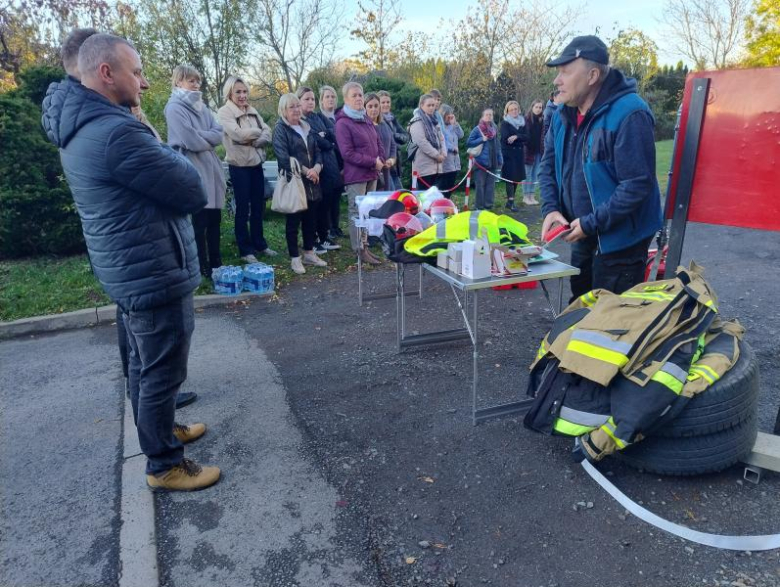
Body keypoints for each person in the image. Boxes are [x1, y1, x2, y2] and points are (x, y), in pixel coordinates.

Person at [42, 33, 219, 492]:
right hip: (151, 268)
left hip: (131, 266)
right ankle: (164, 464)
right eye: (136, 71)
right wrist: (160, 147)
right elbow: (192, 190)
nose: (143, 83)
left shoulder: (85, 123)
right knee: (162, 370)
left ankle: (160, 433)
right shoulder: (117, 131)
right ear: (106, 73)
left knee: (143, 365)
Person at [539, 35, 663, 301]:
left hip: (621, 241)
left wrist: (591, 223)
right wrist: (551, 209)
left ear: (592, 75)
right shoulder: (563, 114)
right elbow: (548, 165)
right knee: (581, 303)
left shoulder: (630, 113)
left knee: (611, 320)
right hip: (584, 232)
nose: (556, 80)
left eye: (565, 72)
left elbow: (637, 184)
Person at [165, 65, 226, 278]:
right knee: (199, 221)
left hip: (210, 166)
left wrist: (203, 137)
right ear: (178, 82)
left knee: (214, 218)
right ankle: (201, 264)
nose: (196, 84)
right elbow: (188, 139)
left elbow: (219, 134)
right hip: (192, 167)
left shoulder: (202, 106)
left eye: (197, 81)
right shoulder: (173, 107)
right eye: (191, 80)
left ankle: (217, 261)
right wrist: (206, 138)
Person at [218, 76, 277, 263]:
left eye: (244, 92)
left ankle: (260, 243)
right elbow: (235, 134)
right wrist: (257, 135)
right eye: (238, 92)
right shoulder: (224, 112)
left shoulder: (252, 110)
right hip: (239, 166)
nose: (242, 96)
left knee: (258, 206)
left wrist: (253, 138)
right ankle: (245, 249)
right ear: (230, 93)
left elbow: (268, 131)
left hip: (256, 164)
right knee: (243, 208)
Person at [273, 93, 327, 275]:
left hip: (313, 180)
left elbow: (318, 150)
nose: (296, 109)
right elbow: (283, 156)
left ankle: (309, 252)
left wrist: (317, 168)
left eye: (297, 105)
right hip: (296, 180)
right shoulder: (281, 129)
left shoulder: (306, 127)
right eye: (292, 107)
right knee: (293, 220)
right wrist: (307, 171)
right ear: (283, 110)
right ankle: (295, 258)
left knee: (311, 219)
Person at [334, 81, 385, 265]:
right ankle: (358, 249)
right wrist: (373, 161)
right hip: (356, 175)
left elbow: (377, 141)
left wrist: (381, 159)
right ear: (346, 99)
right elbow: (347, 153)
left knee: (368, 211)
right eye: (354, 95)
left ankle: (365, 246)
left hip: (372, 173)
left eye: (360, 95)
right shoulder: (343, 123)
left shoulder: (365, 118)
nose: (358, 98)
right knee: (357, 212)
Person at [297, 86, 341, 254]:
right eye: (306, 99)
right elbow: (315, 140)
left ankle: (324, 236)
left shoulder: (317, 116)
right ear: (299, 101)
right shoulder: (300, 120)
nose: (310, 102)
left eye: (312, 99)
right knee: (313, 206)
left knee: (325, 204)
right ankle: (312, 239)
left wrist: (324, 136)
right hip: (312, 167)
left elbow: (332, 133)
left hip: (327, 165)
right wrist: (324, 138)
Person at [317, 85, 345, 241]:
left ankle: (336, 226)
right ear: (321, 100)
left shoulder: (339, 117)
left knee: (337, 197)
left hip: (341, 162)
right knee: (328, 197)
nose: (330, 99)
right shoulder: (319, 118)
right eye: (327, 97)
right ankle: (327, 229)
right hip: (327, 163)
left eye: (333, 96)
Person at [466, 108, 503, 210]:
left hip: (493, 161)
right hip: (480, 163)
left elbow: (498, 145)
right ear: (482, 116)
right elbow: (469, 142)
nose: (489, 117)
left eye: (490, 115)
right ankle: (479, 206)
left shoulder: (494, 129)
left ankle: (488, 206)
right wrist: (481, 139)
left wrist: (500, 159)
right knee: (480, 185)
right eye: (486, 115)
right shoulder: (477, 129)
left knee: (490, 186)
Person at [409, 93, 446, 189]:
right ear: (421, 105)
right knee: (424, 197)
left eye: (433, 105)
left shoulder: (434, 121)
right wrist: (437, 155)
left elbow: (441, 138)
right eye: (428, 105)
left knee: (434, 197)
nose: (431, 108)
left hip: (437, 167)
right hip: (424, 167)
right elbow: (422, 142)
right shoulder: (417, 121)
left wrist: (444, 153)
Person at [500, 100, 528, 212]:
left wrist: (517, 137)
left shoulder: (523, 122)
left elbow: (527, 137)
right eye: (511, 109)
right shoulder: (505, 123)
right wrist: (518, 138)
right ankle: (510, 202)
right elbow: (506, 138)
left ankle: (511, 200)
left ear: (519, 110)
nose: (514, 111)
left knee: (517, 178)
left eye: (515, 109)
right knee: (510, 178)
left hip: (519, 153)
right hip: (508, 153)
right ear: (507, 111)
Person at [366, 92, 397, 191]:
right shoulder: (363, 126)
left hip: (386, 170)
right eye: (370, 106)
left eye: (376, 106)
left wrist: (392, 159)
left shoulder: (384, 124)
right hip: (372, 171)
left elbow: (392, 144)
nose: (374, 109)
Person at [378, 90, 408, 190]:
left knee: (400, 194)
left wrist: (394, 136)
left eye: (388, 102)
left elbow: (405, 136)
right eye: (383, 102)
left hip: (394, 161)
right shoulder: (376, 121)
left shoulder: (392, 119)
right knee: (391, 194)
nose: (386, 105)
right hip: (384, 163)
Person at [439, 104, 463, 195]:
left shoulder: (453, 126)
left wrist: (455, 124)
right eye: (448, 114)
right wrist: (452, 148)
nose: (450, 116)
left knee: (450, 186)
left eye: (451, 114)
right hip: (446, 160)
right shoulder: (441, 127)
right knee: (444, 186)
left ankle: (447, 205)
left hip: (454, 161)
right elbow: (442, 141)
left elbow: (461, 135)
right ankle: (442, 206)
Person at [524, 100, 544, 205]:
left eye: (540, 107)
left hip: (538, 151)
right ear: (532, 107)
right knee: (527, 174)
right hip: (528, 151)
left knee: (535, 174)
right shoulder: (526, 119)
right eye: (536, 107)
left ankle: (531, 195)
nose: (538, 109)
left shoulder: (542, 120)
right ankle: (526, 196)